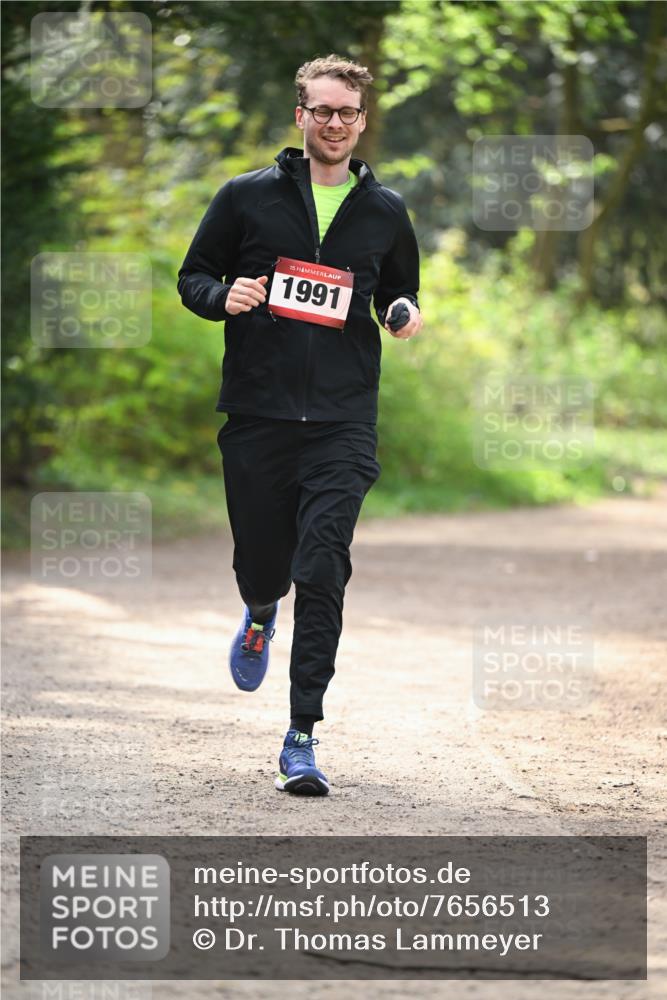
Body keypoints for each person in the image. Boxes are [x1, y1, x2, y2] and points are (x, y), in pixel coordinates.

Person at [177, 54, 422, 797]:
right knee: (265, 563)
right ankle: (258, 609)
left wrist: (402, 312)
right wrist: (227, 296)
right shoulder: (245, 198)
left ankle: (301, 735)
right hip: (257, 412)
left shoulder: (384, 210)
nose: (335, 123)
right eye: (322, 111)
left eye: (347, 112)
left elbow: (400, 290)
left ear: (362, 119)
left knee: (322, 568)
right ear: (300, 116)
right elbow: (194, 277)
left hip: (342, 420)